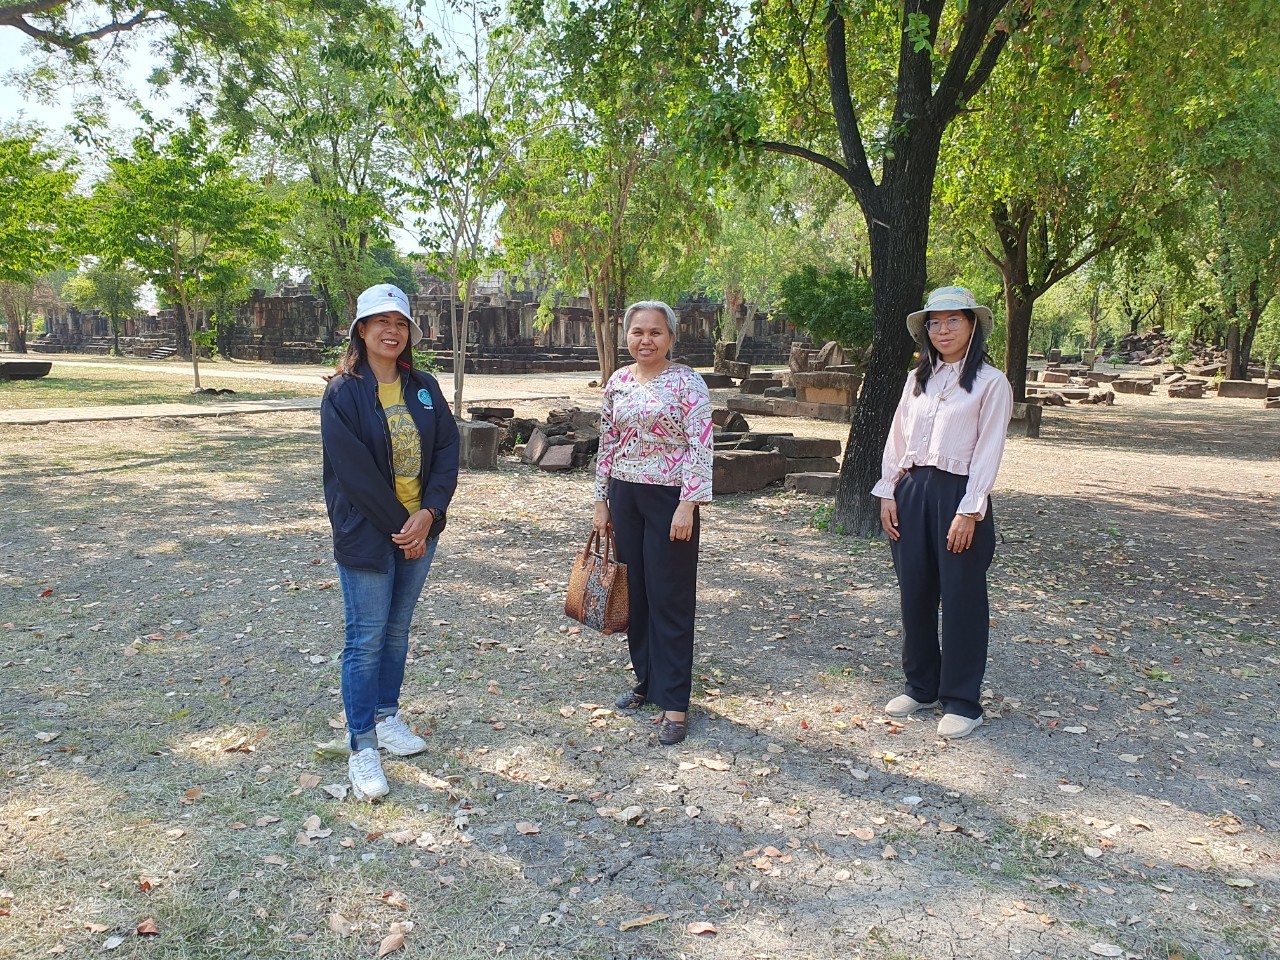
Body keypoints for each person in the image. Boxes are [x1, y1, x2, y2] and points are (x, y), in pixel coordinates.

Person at [321, 283, 460, 799]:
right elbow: (352, 473)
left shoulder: (422, 387)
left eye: (400, 323)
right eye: (381, 321)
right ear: (361, 329)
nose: (392, 331)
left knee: (397, 631)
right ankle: (361, 747)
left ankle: (385, 716)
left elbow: (447, 448)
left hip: (420, 531)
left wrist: (429, 513)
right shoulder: (343, 392)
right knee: (365, 639)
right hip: (369, 534)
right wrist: (404, 527)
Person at [872, 286, 1013, 740]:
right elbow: (897, 438)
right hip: (911, 491)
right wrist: (888, 492)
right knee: (915, 591)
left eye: (953, 320)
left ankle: (962, 699)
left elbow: (989, 449)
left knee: (960, 597)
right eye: (934, 322)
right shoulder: (918, 381)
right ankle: (921, 684)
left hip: (959, 496)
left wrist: (970, 509)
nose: (942, 330)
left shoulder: (991, 383)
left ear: (973, 325)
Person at [593, 301, 713, 746]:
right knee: (636, 593)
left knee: (670, 597)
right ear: (627, 336)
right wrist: (600, 501)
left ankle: (675, 704)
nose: (646, 340)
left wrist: (690, 503)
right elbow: (608, 441)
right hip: (624, 496)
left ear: (671, 337)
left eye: (656, 333)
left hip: (670, 500)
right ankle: (646, 680)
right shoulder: (618, 382)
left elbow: (701, 445)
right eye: (638, 332)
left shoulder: (687, 383)